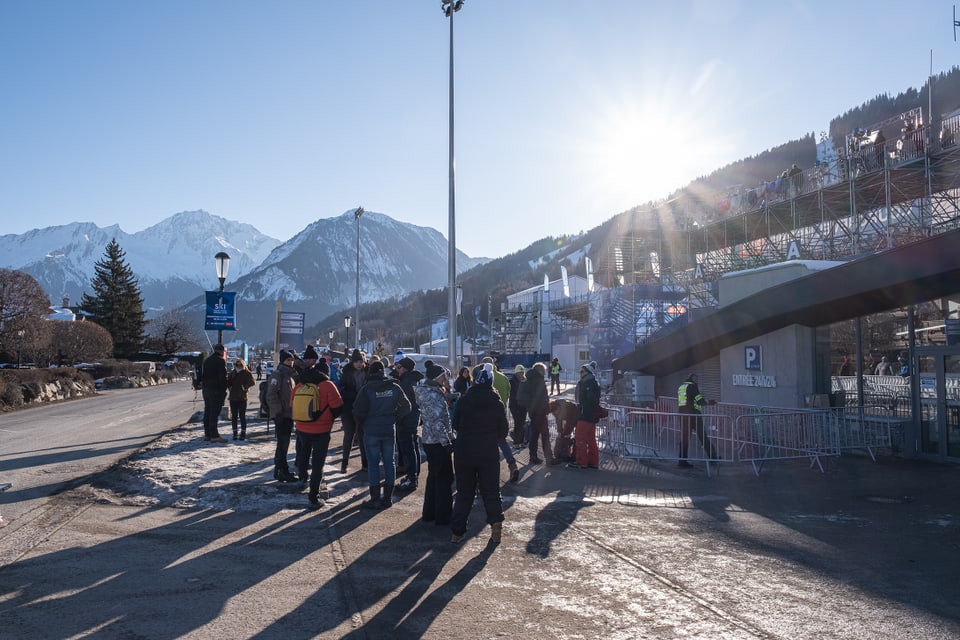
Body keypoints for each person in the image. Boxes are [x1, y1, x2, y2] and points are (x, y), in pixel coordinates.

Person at [450, 363, 509, 544]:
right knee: (491, 492)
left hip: (464, 451)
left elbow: (455, 424)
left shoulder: (464, 400)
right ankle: (496, 529)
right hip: (488, 452)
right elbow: (503, 431)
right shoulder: (496, 403)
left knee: (464, 493)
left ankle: (457, 533)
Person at [353, 359, 411, 509]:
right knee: (390, 462)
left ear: (371, 373)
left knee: (373, 464)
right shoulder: (394, 387)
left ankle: (374, 498)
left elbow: (357, 411)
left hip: (371, 430)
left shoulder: (366, 389)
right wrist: (395, 418)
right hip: (388, 429)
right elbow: (407, 406)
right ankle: (387, 498)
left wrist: (364, 422)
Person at [292, 357, 344, 510]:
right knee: (317, 463)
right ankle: (313, 496)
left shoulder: (300, 385)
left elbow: (292, 405)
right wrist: (328, 418)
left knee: (303, 453)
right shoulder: (328, 385)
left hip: (302, 427)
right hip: (322, 430)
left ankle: (302, 478)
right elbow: (338, 406)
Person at [415, 363, 456, 526]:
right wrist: (447, 443)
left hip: (430, 440)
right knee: (444, 480)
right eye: (443, 376)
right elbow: (438, 421)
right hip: (438, 442)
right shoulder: (433, 396)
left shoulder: (427, 392)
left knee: (433, 478)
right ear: (436, 378)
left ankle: (430, 512)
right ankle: (443, 516)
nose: (446, 379)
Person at [266, 350, 300, 482]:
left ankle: (280, 469)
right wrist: (278, 412)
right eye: (288, 360)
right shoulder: (278, 374)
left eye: (291, 360)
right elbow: (271, 395)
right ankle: (282, 470)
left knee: (283, 443)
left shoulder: (289, 375)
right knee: (283, 443)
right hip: (282, 415)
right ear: (282, 361)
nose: (290, 362)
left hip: (288, 414)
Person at [394, 356, 424, 492]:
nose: (397, 370)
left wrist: (399, 418)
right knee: (414, 446)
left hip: (407, 418)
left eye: (399, 367)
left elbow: (404, 404)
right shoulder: (415, 380)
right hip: (415, 416)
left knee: (408, 449)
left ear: (405, 368)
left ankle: (411, 478)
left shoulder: (405, 382)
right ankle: (414, 475)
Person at [337, 349, 368, 474]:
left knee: (362, 437)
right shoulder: (347, 373)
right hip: (348, 408)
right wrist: (354, 394)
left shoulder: (368, 371)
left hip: (363, 408)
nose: (359, 364)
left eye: (361, 361)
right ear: (352, 362)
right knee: (348, 435)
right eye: (356, 362)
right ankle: (344, 463)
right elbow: (340, 389)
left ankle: (365, 464)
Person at [519, 362, 554, 465]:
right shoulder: (539, 380)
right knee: (545, 435)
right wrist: (546, 408)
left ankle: (533, 456)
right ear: (541, 370)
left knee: (534, 435)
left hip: (533, 411)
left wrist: (530, 407)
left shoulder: (527, 379)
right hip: (540, 411)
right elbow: (543, 396)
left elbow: (523, 396)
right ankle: (549, 457)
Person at [677, 373, 715, 468]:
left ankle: (682, 461)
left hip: (682, 414)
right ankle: (713, 458)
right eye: (697, 379)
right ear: (693, 379)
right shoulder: (692, 386)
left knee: (684, 439)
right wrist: (711, 402)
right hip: (693, 414)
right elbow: (699, 400)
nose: (698, 381)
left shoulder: (682, 386)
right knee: (703, 436)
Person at [569, 361, 601, 469]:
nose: (580, 373)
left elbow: (590, 400)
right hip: (591, 415)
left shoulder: (587, 383)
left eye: (582, 371)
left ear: (587, 372)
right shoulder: (593, 382)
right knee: (591, 439)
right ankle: (593, 461)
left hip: (585, 415)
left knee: (580, 438)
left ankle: (582, 461)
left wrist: (582, 408)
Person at [200, 344, 229, 443]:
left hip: (206, 389)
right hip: (216, 390)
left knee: (207, 411)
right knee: (214, 413)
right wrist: (224, 389)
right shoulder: (220, 361)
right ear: (221, 351)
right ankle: (214, 435)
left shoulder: (207, 360)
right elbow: (222, 377)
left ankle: (207, 434)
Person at [226, 358, 256, 441]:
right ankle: (235, 433)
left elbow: (253, 382)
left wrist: (245, 387)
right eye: (236, 365)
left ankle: (243, 433)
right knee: (234, 417)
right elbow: (228, 382)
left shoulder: (246, 373)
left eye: (240, 365)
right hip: (233, 397)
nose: (238, 366)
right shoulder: (232, 373)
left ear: (243, 365)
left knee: (242, 416)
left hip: (242, 397)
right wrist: (229, 387)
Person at [549, 397, 579, 463]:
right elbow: (558, 421)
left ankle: (569, 454)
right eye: (553, 413)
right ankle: (560, 453)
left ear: (557, 408)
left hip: (576, 417)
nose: (554, 414)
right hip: (569, 419)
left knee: (570, 436)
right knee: (561, 436)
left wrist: (566, 432)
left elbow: (570, 422)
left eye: (555, 412)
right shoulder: (555, 410)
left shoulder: (568, 409)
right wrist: (560, 431)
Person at [508, 365, 527, 446]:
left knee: (522, 423)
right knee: (517, 423)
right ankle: (516, 442)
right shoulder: (512, 382)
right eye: (519, 372)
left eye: (522, 372)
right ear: (516, 373)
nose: (521, 374)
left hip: (523, 406)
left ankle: (521, 441)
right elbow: (512, 396)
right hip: (515, 406)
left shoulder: (525, 381)